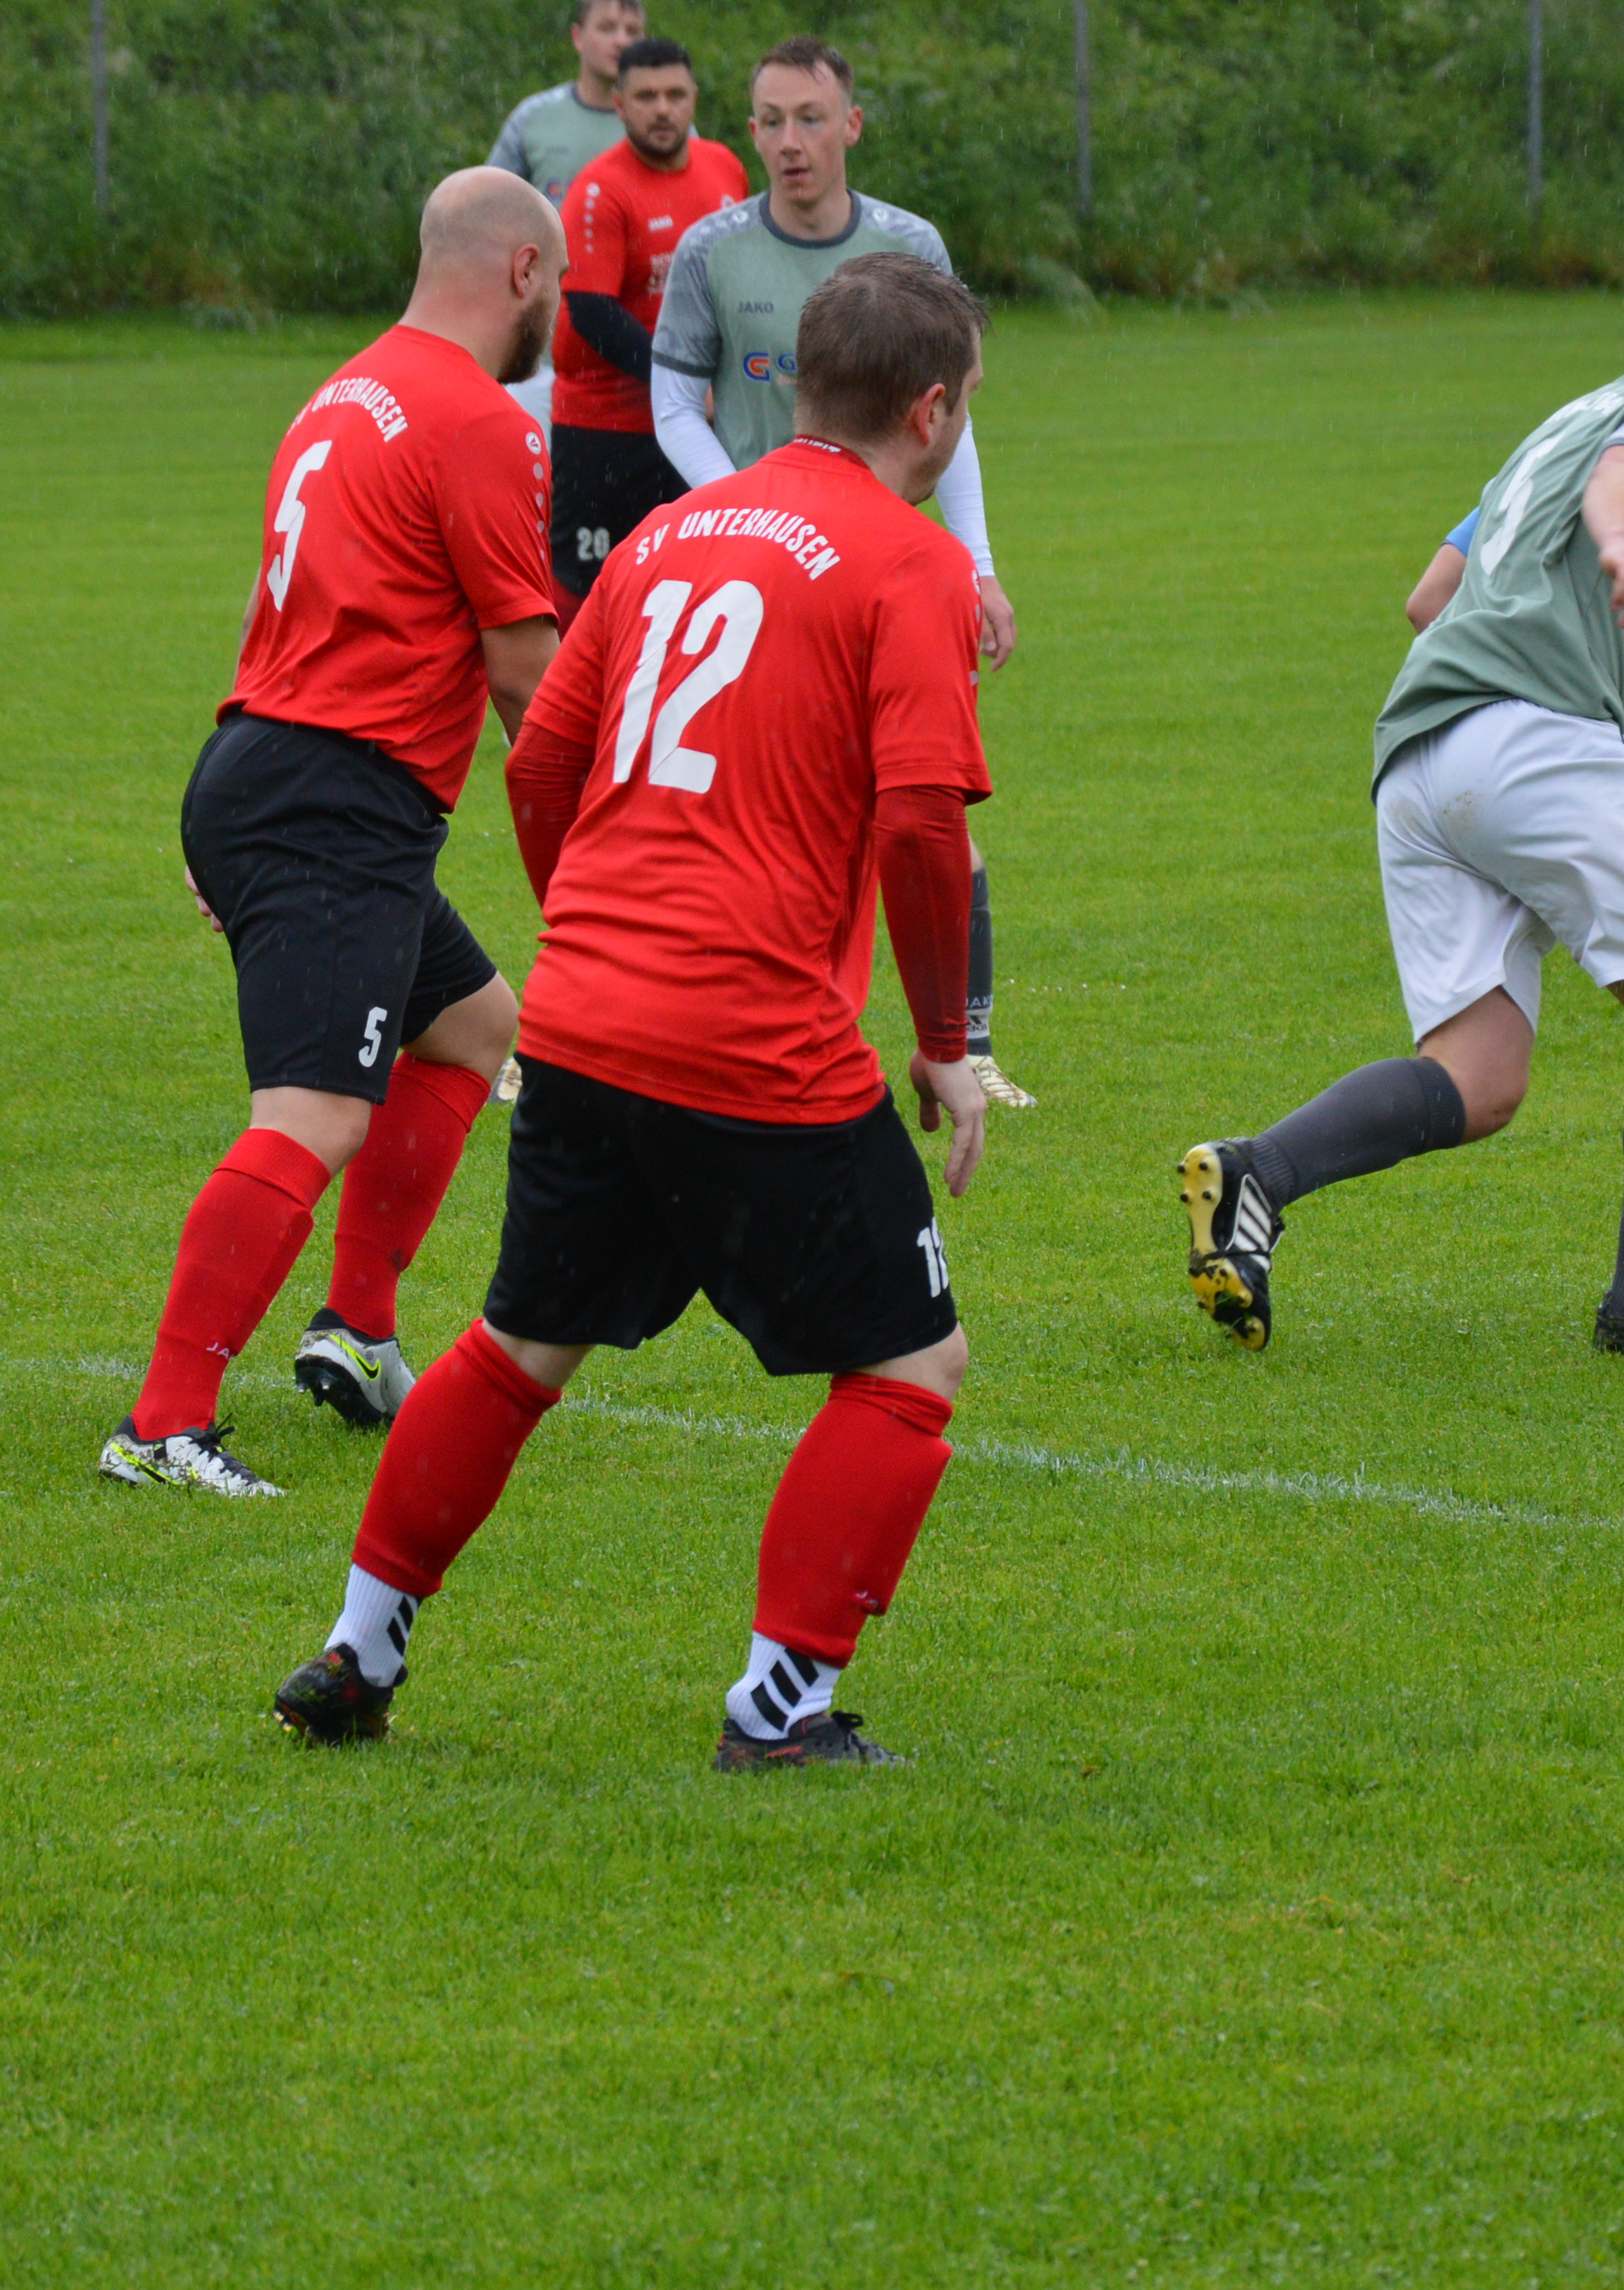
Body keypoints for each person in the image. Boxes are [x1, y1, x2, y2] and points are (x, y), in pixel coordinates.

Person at [271, 251, 996, 1772]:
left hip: (584, 1017)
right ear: (932, 410)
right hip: (753, 1037)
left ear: (797, 382)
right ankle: (780, 1709)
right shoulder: (913, 563)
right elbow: (926, 826)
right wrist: (947, 1043)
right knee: (908, 1365)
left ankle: (358, 1646)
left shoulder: (666, 533)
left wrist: (589, 927)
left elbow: (541, 759)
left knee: (517, 1347)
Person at [1179, 253, 1624, 1358]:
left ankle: (1256, 1173)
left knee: (1477, 1078)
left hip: (1420, 754)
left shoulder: (1557, 428)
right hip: (1534, 739)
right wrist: (1623, 547)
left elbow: (1431, 597)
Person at [98, 168, 564, 1497]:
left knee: (469, 1028)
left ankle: (356, 1332)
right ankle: (164, 1426)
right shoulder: (476, 416)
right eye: (559, 285)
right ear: (522, 272)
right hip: (335, 797)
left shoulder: (345, 392)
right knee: (314, 1115)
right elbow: (526, 677)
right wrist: (608, 860)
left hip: (272, 766)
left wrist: (234, 815)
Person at [647, 36, 1035, 1111]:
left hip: (883, 573)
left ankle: (968, 1042)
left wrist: (979, 566)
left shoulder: (910, 246)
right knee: (768, 799)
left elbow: (951, 421)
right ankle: (737, 1024)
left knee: (926, 795)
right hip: (754, 572)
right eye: (770, 121)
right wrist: (744, 503)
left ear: (851, 125)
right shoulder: (712, 250)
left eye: (810, 119)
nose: (789, 142)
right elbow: (672, 399)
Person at [546, 36, 746, 631]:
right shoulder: (598, 190)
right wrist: (682, 387)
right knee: (586, 586)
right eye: (646, 96)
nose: (663, 109)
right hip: (604, 428)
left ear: (694, 99)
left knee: (691, 575)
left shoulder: (726, 168)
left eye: (675, 95)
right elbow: (592, 313)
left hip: (696, 428)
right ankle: (555, 687)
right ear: (619, 104)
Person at [488, 0, 648, 432]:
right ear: (578, 37)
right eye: (608, 28)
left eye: (632, 30)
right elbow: (488, 218)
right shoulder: (536, 119)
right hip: (538, 360)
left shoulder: (664, 127)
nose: (621, 41)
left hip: (637, 364)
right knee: (525, 473)